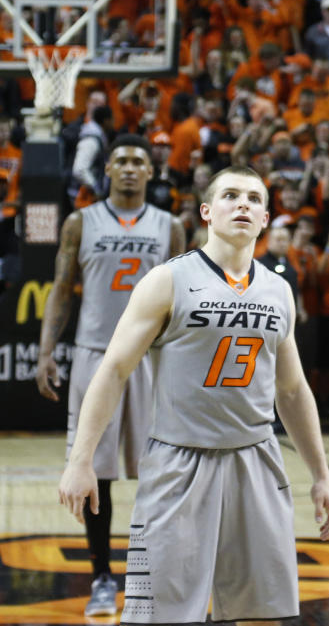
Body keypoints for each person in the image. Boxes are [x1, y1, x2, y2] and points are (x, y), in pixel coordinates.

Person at [57, 166, 329, 624]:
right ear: (207, 212)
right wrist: (80, 460)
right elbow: (112, 370)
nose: (243, 204)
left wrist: (321, 476)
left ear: (266, 217)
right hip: (179, 463)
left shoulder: (279, 291)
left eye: (253, 198)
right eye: (230, 195)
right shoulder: (167, 280)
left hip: (257, 460)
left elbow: (291, 390)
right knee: (161, 616)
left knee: (263, 614)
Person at [36, 135, 186, 617]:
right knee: (93, 475)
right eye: (119, 160)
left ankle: (147, 574)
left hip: (151, 359)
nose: (127, 168)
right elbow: (61, 288)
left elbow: (183, 301)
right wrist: (45, 351)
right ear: (107, 171)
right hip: (95, 356)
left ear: (150, 172)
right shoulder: (82, 222)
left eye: (137, 161)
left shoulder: (171, 227)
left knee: (156, 474)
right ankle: (102, 576)